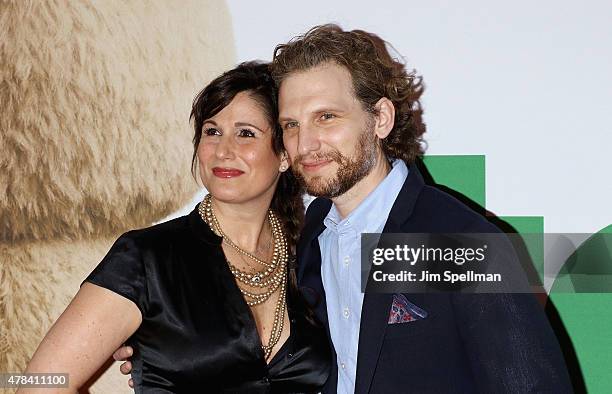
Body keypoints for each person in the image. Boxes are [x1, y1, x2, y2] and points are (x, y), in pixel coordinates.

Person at [116, 25, 573, 393]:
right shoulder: (307, 239)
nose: (306, 144)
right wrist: (166, 348)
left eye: (327, 118)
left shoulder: (459, 242)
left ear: (380, 119)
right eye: (292, 124)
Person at [20, 62, 331, 393]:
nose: (223, 151)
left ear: (284, 154)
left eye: (245, 133)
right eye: (212, 132)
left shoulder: (312, 250)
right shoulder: (146, 258)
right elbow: (39, 384)